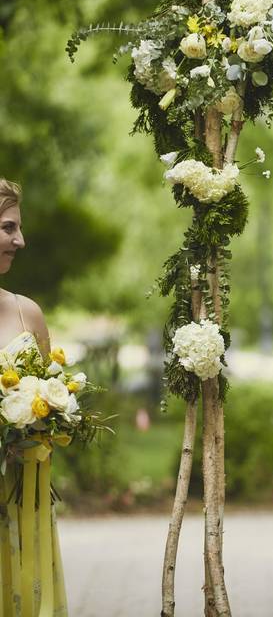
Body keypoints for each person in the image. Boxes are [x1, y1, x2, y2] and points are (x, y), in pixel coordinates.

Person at [0, 177, 69, 615]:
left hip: (21, 501)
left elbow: (52, 414)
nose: (20, 240)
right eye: (8, 228)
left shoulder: (29, 314)